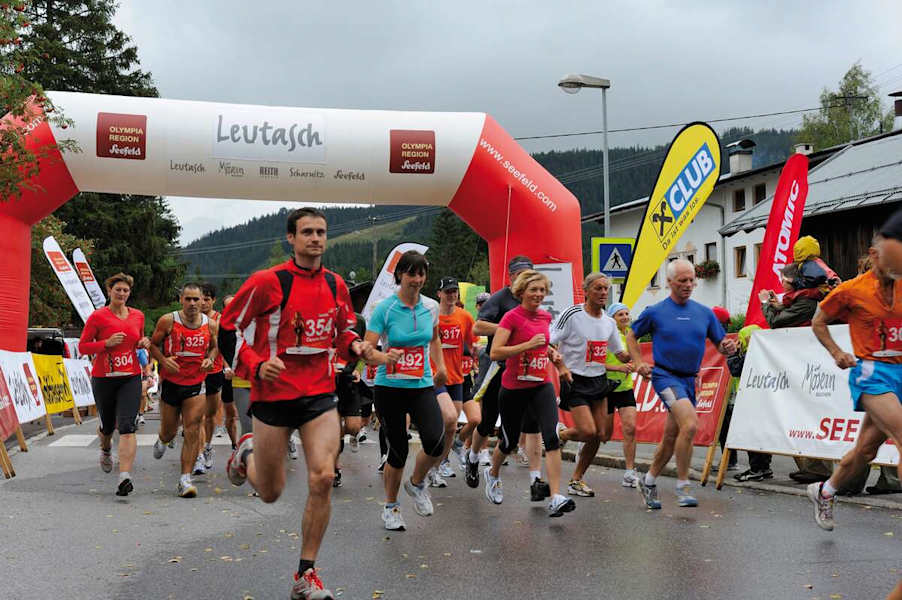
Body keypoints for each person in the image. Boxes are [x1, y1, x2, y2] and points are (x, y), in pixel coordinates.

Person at [220, 207, 368, 600]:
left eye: (321, 232)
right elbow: (228, 327)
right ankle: (245, 454)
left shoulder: (336, 284)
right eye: (307, 232)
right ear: (292, 238)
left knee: (322, 477)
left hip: (319, 393)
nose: (315, 238)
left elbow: (344, 328)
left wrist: (355, 346)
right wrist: (254, 364)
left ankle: (306, 574)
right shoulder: (268, 282)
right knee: (270, 492)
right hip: (273, 395)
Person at [806, 235, 902, 532]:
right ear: (874, 254)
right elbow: (818, 321)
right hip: (873, 373)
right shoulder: (851, 290)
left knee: (865, 452)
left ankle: (825, 491)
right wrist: (837, 352)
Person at [628, 259, 736, 509]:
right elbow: (631, 334)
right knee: (690, 424)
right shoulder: (655, 312)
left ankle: (649, 480)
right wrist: (637, 362)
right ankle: (683, 485)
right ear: (669, 283)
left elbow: (721, 344)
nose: (688, 285)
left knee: (671, 437)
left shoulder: (704, 313)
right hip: (665, 377)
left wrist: (727, 347)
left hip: (689, 379)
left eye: (691, 280)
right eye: (682, 281)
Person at [362, 250, 454, 531]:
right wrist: (383, 358)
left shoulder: (430, 307)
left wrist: (439, 366)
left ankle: (416, 483)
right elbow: (367, 351)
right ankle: (391, 508)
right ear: (399, 275)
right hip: (389, 387)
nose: (416, 279)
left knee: (436, 441)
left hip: (422, 384)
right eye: (411, 273)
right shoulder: (384, 308)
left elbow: (434, 338)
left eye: (421, 274)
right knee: (398, 449)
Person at [484, 269, 575, 517]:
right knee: (510, 441)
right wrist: (526, 345)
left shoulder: (545, 317)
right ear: (521, 291)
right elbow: (495, 353)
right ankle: (492, 474)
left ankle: (555, 496)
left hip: (540, 384)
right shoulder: (511, 318)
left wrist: (557, 360)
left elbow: (543, 344)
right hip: (513, 389)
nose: (538, 294)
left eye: (542, 290)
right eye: (534, 289)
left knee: (552, 437)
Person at [467, 256, 548, 503]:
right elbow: (478, 327)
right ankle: (472, 456)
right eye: (521, 274)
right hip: (500, 366)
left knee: (532, 423)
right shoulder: (500, 299)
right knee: (488, 418)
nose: (527, 280)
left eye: (530, 274)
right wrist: (507, 329)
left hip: (529, 370)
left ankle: (535, 479)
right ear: (511, 277)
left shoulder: (536, 302)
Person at [552, 273, 632, 497]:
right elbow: (550, 341)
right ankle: (560, 435)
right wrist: (560, 365)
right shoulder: (572, 314)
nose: (603, 293)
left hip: (598, 381)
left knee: (602, 435)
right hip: (574, 378)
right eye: (598, 288)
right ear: (586, 291)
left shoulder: (608, 321)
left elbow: (620, 352)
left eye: (606, 289)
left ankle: (576, 480)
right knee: (588, 431)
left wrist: (636, 360)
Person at [756, 261, 830, 483]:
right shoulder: (799, 298)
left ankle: (819, 467)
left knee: (808, 415)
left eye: (783, 280)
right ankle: (810, 465)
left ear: (794, 282)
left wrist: (764, 304)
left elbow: (776, 322)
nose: (781, 284)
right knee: (797, 415)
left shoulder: (806, 301)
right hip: (800, 361)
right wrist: (774, 302)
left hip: (808, 364)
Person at [78, 272, 150, 497]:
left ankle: (124, 476)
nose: (121, 293)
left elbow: (140, 339)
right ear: (109, 291)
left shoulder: (138, 315)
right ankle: (106, 448)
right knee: (108, 426)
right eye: (117, 289)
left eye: (125, 290)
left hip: (130, 376)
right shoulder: (98, 317)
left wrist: (143, 342)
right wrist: (105, 343)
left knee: (128, 425)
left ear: (129, 293)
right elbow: (83, 347)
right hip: (104, 378)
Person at [149, 283, 218, 498]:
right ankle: (162, 439)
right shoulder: (168, 321)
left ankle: (185, 479)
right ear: (181, 300)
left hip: (197, 383)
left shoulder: (211, 325)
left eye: (196, 299)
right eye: (188, 299)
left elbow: (216, 347)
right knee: (170, 431)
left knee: (192, 428)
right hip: (171, 382)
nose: (192, 304)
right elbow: (152, 345)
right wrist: (162, 360)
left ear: (202, 301)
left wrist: (210, 359)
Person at [434, 277, 481, 479]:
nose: (452, 295)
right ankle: (434, 464)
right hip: (436, 376)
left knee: (451, 426)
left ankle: (441, 462)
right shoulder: (431, 315)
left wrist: (475, 353)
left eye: (454, 292)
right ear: (439, 294)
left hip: (457, 377)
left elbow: (473, 342)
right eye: (448, 292)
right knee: (446, 420)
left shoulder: (464, 316)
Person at [602, 302, 640, 487]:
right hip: (606, 388)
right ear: (612, 318)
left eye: (626, 314)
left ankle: (629, 472)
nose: (625, 317)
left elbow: (634, 359)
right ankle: (583, 444)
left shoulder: (632, 336)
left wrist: (634, 365)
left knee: (630, 428)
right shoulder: (605, 335)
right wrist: (617, 367)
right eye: (620, 315)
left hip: (625, 387)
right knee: (604, 435)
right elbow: (594, 363)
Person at [196, 282, 232, 474]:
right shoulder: (190, 318)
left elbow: (223, 346)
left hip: (214, 372)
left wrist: (225, 366)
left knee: (210, 416)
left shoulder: (219, 320)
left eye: (206, 299)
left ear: (213, 301)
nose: (202, 303)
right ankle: (199, 455)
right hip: (193, 374)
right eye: (199, 298)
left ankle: (208, 446)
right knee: (197, 417)